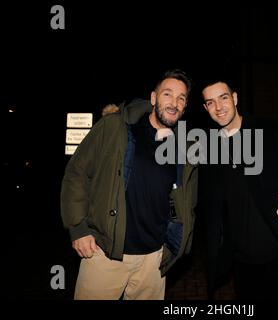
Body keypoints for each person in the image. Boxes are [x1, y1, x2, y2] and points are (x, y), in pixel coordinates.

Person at [60, 69, 198, 300]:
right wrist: (79, 228)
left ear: (184, 107)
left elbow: (182, 201)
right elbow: (77, 173)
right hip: (105, 254)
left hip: (153, 262)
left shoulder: (184, 150)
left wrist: (174, 242)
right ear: (153, 98)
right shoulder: (115, 128)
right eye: (168, 94)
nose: (174, 103)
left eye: (181, 98)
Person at [198, 78, 278, 300]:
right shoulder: (209, 151)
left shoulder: (271, 133)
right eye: (210, 102)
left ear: (235, 98)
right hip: (242, 265)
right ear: (205, 108)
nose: (218, 107)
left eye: (223, 98)